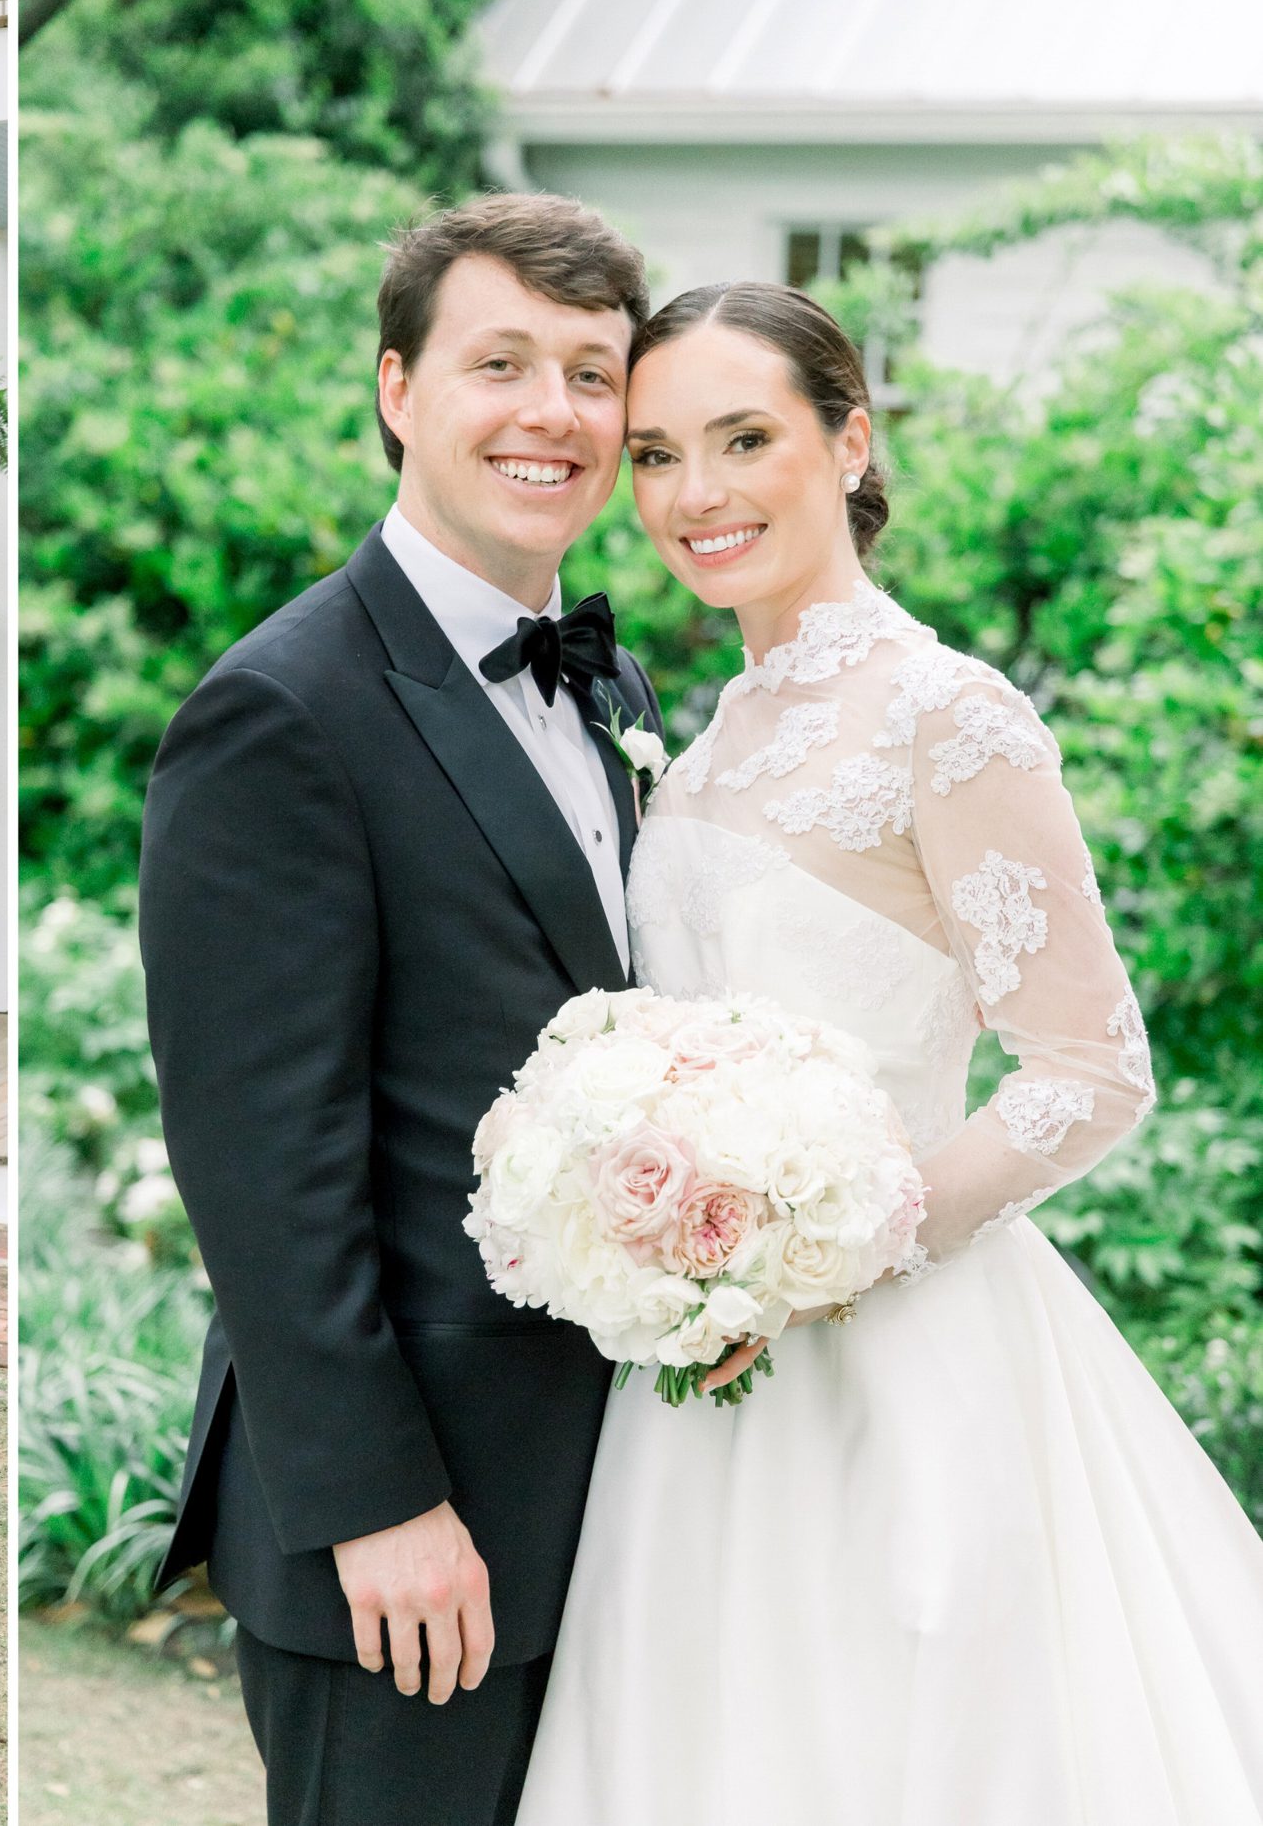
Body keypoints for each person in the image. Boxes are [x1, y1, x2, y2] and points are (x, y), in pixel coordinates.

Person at [515, 283, 1263, 1820]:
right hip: (697, 1389)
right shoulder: (705, 728)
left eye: (744, 438)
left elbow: (1093, 1063)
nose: (694, 494)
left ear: (849, 442)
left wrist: (827, 1249)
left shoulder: (950, 715)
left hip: (902, 1362)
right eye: (655, 454)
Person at [138, 195, 665, 1825]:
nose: (551, 413)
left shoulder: (608, 682)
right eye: (499, 361)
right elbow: (258, 1163)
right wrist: (386, 1507)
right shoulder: (280, 711)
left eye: (591, 371)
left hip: (616, 1494)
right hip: (412, 1534)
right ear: (397, 389)